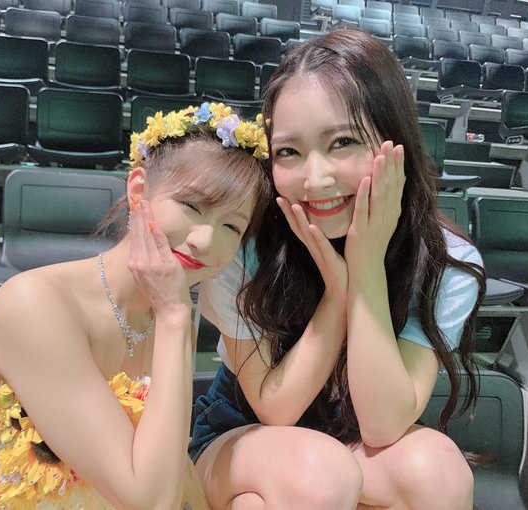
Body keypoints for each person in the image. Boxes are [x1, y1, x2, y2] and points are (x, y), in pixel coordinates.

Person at [0, 103, 271, 510]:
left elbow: (163, 474)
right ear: (138, 191)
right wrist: (176, 318)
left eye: (231, 226)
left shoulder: (167, 313)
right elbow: (151, 502)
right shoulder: (36, 306)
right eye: (192, 206)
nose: (205, 241)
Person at [189, 29, 487, 510]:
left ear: (394, 141)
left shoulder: (444, 261)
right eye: (288, 152)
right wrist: (336, 292)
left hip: (356, 438)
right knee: (313, 479)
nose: (315, 179)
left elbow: (383, 426)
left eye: (343, 142)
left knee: (439, 475)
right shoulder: (244, 244)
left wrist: (365, 266)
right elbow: (276, 408)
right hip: (243, 429)